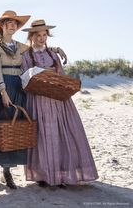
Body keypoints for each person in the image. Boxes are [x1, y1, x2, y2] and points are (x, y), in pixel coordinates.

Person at [21, 19, 98, 187]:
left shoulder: (53, 54)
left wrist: (56, 79)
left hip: (58, 99)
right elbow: (24, 77)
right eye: (38, 35)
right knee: (43, 136)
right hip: (38, 99)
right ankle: (43, 176)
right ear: (31, 36)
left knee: (63, 134)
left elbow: (61, 75)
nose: (42, 38)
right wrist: (40, 72)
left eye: (44, 35)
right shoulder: (27, 55)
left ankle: (62, 174)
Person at [0, 10, 31, 190]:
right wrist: (3, 91)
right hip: (2, 89)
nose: (12, 26)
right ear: (2, 26)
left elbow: (37, 50)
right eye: (8, 23)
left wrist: (56, 49)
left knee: (12, 129)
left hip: (18, 89)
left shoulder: (22, 47)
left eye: (15, 23)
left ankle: (7, 172)